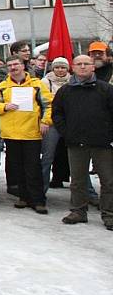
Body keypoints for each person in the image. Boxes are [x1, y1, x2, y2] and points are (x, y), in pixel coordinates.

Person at [52, 55, 113, 230]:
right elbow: (57, 113)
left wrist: (109, 135)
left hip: (102, 143)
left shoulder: (106, 89)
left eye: (87, 64)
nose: (83, 67)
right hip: (76, 142)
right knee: (78, 180)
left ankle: (109, 213)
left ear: (93, 67)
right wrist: (67, 132)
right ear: (73, 67)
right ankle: (78, 211)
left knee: (108, 180)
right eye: (79, 64)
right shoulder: (65, 91)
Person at [0, 56, 53, 214]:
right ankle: (23, 197)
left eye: (16, 64)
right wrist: (5, 106)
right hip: (11, 134)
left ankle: (38, 200)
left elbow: (48, 105)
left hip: (31, 133)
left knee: (33, 167)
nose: (13, 67)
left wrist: (46, 121)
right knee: (17, 168)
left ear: (23, 65)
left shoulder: (37, 85)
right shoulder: (3, 86)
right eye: (10, 65)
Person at [40, 57, 71, 191]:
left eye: (63, 67)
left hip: (70, 123)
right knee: (47, 157)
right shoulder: (45, 81)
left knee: (75, 158)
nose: (60, 70)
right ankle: (41, 189)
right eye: (57, 67)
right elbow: (44, 103)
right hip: (51, 123)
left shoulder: (73, 81)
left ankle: (87, 193)